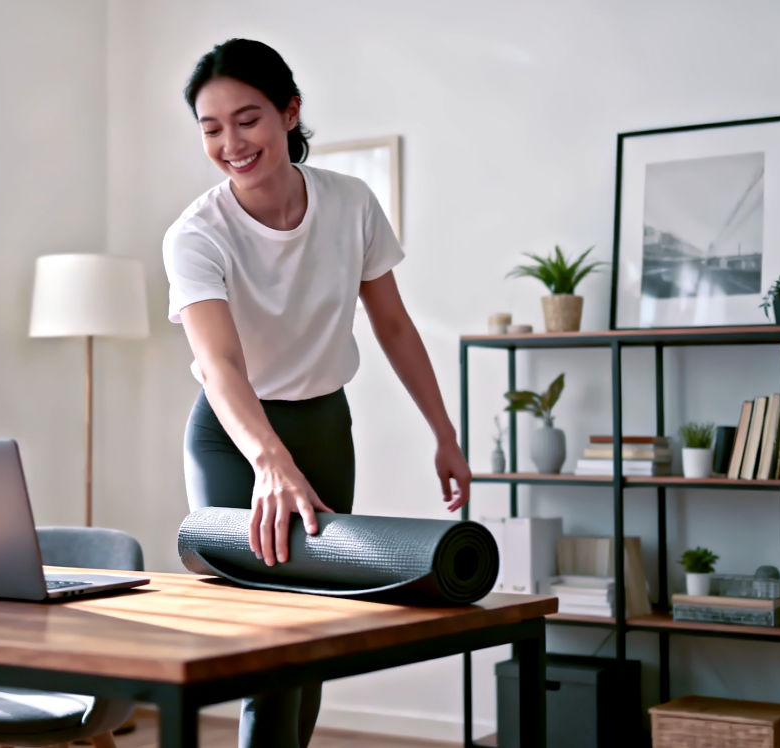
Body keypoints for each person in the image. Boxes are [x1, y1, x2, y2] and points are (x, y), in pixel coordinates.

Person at [161, 38, 473, 748]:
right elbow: (220, 365)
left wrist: (443, 433)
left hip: (325, 423)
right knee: (261, 633)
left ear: (289, 112)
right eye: (211, 129)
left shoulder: (350, 203)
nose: (231, 143)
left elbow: (392, 324)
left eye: (248, 120)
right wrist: (270, 462)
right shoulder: (196, 236)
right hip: (234, 437)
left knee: (313, 627)